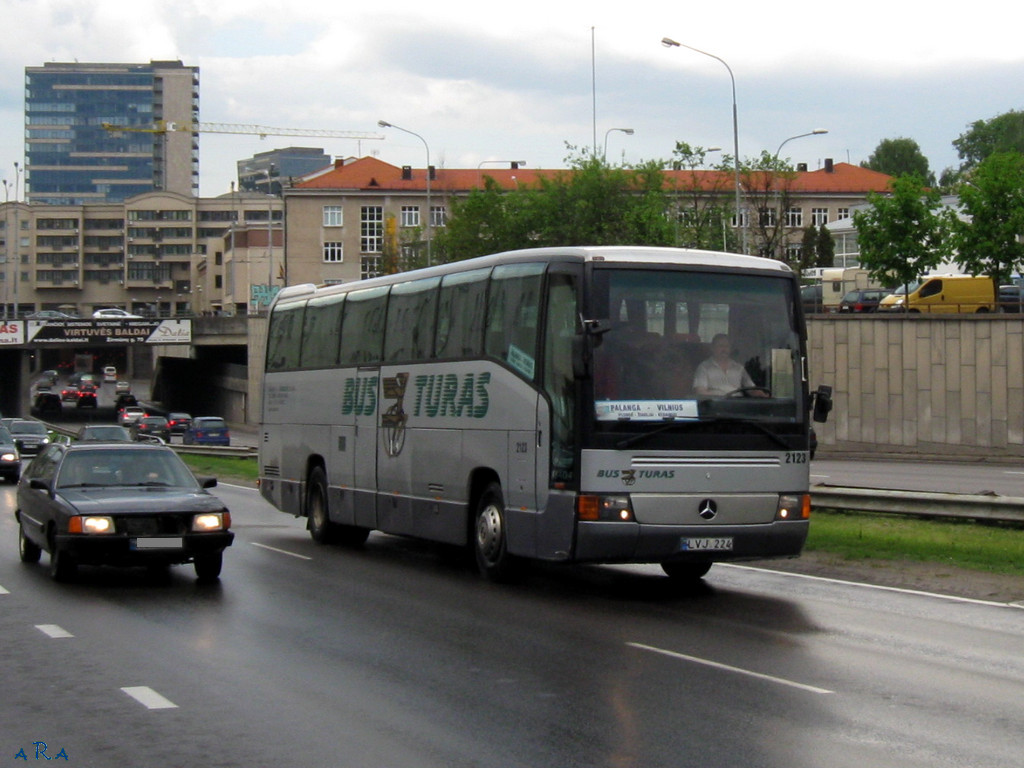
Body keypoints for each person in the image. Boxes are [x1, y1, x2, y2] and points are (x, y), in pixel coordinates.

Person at [693, 333, 767, 396]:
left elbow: (751, 389)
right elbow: (700, 392)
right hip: (714, 407)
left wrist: (762, 395)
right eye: (720, 346)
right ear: (712, 348)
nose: (724, 349)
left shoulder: (738, 368)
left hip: (737, 407)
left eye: (727, 346)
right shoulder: (704, 367)